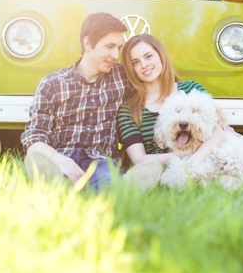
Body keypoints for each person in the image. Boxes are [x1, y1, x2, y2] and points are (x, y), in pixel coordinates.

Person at [21, 12, 160, 191]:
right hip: (63, 156)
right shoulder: (53, 84)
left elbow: (154, 85)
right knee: (58, 185)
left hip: (101, 161)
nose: (116, 55)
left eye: (119, 47)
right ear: (87, 43)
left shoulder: (123, 77)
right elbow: (34, 139)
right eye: (109, 46)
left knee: (108, 185)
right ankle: (52, 183)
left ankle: (123, 189)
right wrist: (60, 160)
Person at [116, 33, 224, 187]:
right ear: (130, 69)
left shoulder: (191, 89)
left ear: (161, 56)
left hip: (202, 163)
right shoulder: (128, 110)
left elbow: (218, 133)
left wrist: (192, 163)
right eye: (135, 62)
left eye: (148, 56)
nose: (144, 64)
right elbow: (139, 159)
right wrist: (183, 155)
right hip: (157, 172)